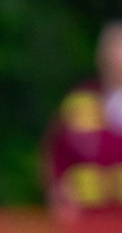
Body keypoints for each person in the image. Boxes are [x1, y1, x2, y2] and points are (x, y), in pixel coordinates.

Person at [43, 26, 122, 216]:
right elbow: (54, 154)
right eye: (112, 52)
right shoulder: (81, 101)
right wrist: (59, 202)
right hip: (87, 225)